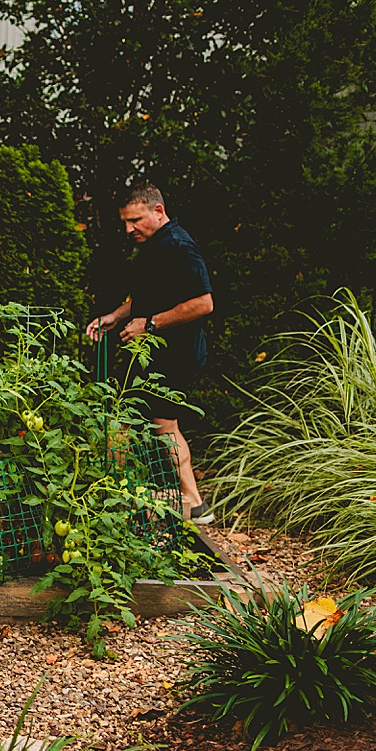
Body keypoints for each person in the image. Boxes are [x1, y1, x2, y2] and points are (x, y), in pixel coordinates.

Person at [86, 183, 215, 524]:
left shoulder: (180, 246)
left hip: (175, 354)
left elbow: (204, 303)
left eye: (135, 220)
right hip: (153, 354)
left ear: (158, 211)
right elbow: (147, 296)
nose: (129, 229)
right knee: (126, 419)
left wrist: (150, 325)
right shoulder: (157, 244)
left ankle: (193, 501)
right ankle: (114, 491)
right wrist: (115, 316)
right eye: (126, 222)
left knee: (163, 424)